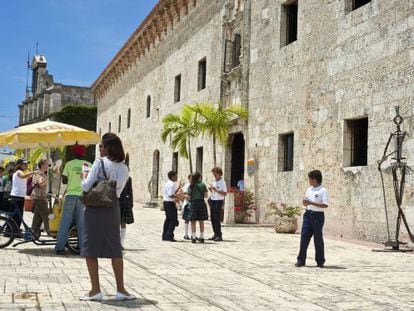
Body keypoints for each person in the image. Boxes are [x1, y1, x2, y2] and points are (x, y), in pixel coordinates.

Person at [80, 133, 136, 301]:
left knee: (91, 248)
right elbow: (117, 190)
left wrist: (85, 175)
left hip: (95, 209)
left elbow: (86, 186)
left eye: (101, 146)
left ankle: (95, 290)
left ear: (108, 147)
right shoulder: (125, 168)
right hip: (113, 208)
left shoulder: (99, 163)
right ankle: (121, 290)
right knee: (115, 248)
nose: (100, 149)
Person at [55, 144, 91, 255]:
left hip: (70, 195)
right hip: (83, 196)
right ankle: (81, 247)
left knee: (65, 222)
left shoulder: (69, 164)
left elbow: (64, 181)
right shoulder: (88, 164)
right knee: (82, 223)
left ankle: (60, 247)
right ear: (83, 153)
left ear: (74, 153)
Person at [295, 170, 329, 268]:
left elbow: (325, 204)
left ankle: (320, 261)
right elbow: (306, 201)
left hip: (318, 216)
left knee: (317, 238)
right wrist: (305, 202)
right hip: (308, 214)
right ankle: (301, 260)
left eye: (310, 179)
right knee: (304, 237)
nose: (309, 181)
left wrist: (312, 203)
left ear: (314, 179)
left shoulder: (323, 190)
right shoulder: (309, 189)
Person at [9, 159, 35, 229]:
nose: (26, 166)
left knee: (18, 214)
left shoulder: (22, 172)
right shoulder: (18, 172)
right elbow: (23, 176)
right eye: (24, 164)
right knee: (17, 214)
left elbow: (26, 177)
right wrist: (33, 172)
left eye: (26, 164)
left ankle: (14, 229)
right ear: (20, 165)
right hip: (16, 196)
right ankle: (12, 230)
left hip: (19, 196)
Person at [187, 172, 208, 243]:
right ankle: (201, 236)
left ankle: (193, 236)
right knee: (201, 220)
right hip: (201, 203)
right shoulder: (203, 185)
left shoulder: (191, 186)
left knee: (193, 221)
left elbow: (189, 197)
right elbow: (206, 196)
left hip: (193, 203)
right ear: (199, 177)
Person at [31, 160, 49, 238]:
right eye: (46, 164)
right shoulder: (39, 173)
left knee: (38, 216)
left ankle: (33, 231)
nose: (48, 166)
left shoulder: (41, 173)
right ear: (42, 165)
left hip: (40, 197)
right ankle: (49, 230)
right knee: (46, 214)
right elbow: (40, 184)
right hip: (39, 197)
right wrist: (48, 178)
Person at [208, 167, 227, 241]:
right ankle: (215, 233)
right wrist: (211, 189)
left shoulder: (223, 182)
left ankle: (219, 235)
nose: (214, 176)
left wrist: (216, 190)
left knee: (217, 218)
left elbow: (225, 193)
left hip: (218, 201)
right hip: (213, 200)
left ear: (219, 174)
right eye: (213, 175)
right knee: (212, 218)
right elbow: (214, 191)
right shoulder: (214, 181)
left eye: (215, 174)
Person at [162, 171, 182, 242]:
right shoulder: (172, 184)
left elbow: (172, 192)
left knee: (168, 219)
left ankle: (165, 235)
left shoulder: (167, 183)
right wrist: (179, 196)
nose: (177, 177)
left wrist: (178, 188)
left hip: (166, 202)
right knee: (173, 219)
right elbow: (171, 195)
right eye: (176, 176)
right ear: (173, 176)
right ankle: (169, 235)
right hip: (170, 203)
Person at [181, 174, 192, 240]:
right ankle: (186, 234)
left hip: (192, 204)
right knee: (187, 219)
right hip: (187, 204)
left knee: (193, 220)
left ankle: (192, 234)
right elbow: (184, 194)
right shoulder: (187, 185)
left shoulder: (194, 185)